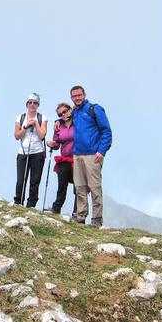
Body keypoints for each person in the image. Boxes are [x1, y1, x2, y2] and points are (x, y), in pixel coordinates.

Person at [70, 85, 112, 228]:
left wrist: (101, 151)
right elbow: (65, 120)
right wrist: (57, 122)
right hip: (77, 155)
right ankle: (81, 216)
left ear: (84, 95)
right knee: (80, 187)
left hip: (93, 155)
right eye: (74, 96)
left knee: (95, 188)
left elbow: (107, 131)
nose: (77, 98)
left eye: (79, 95)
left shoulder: (94, 109)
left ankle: (97, 219)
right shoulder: (74, 111)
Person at [13, 93, 48, 207]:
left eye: (35, 103)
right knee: (20, 180)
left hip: (38, 152)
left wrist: (36, 124)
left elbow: (42, 135)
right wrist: (26, 126)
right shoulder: (20, 117)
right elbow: (17, 135)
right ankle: (18, 202)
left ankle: (31, 205)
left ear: (38, 105)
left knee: (35, 181)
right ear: (27, 104)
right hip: (23, 152)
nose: (32, 105)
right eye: (30, 102)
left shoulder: (42, 117)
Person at [46, 102, 76, 215]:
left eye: (65, 111)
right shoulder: (58, 126)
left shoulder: (77, 122)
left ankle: (77, 213)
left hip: (77, 159)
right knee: (62, 185)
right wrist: (51, 143)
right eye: (60, 114)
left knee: (78, 187)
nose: (63, 115)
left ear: (69, 110)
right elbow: (57, 144)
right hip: (64, 159)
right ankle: (56, 208)